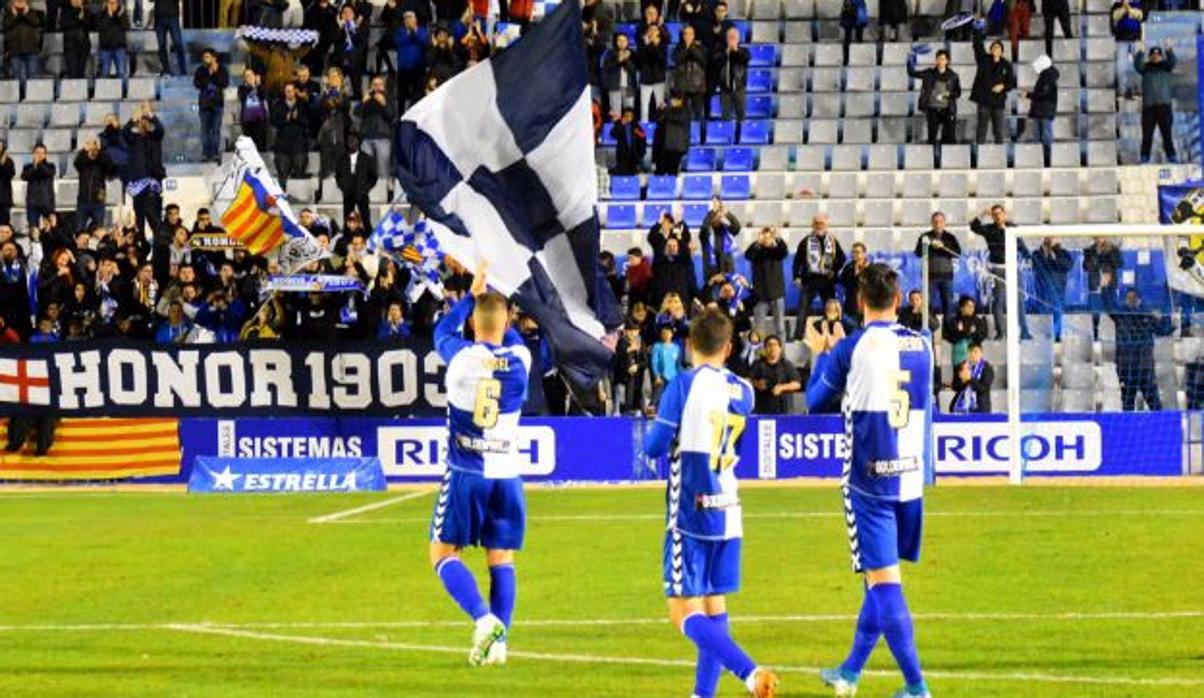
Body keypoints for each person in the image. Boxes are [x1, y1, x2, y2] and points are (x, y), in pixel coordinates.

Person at [805, 262, 934, 698]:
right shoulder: (923, 344)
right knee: (878, 580)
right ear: (898, 301)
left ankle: (916, 687)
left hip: (870, 483)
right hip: (911, 479)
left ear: (859, 303)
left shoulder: (852, 348)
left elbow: (815, 400)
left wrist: (824, 351)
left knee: (884, 583)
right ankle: (850, 672)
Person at [642, 308, 780, 698]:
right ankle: (703, 694)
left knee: (682, 612)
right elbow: (738, 446)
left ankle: (750, 674)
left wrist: (668, 431)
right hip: (728, 507)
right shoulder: (745, 390)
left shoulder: (683, 387)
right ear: (729, 347)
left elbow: (653, 446)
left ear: (689, 345)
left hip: (690, 511)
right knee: (713, 605)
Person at [428, 265, 530, 667]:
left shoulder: (462, 360)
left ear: (472, 323)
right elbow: (511, 335)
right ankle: (500, 643)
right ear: (506, 321)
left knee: (442, 552)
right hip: (507, 475)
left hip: (467, 472)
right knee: (501, 558)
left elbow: (441, 334)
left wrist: (471, 295)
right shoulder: (521, 358)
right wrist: (502, 300)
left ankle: (484, 619)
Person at [1106, 288, 1173, 411]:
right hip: (1127, 367)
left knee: (1153, 403)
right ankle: (1129, 428)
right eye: (1129, 298)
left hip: (1143, 367)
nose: (1131, 301)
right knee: (1128, 403)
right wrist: (1105, 288)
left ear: (1139, 300)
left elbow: (1164, 330)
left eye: (1134, 298)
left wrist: (1165, 317)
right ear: (1126, 300)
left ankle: (1160, 426)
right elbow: (1108, 304)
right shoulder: (1121, 315)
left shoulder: (1147, 315)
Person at [123, 104, 167, 286]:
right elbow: (124, 133)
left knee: (153, 213)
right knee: (139, 215)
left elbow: (161, 129)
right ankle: (142, 245)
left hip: (153, 181)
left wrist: (151, 115)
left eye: (146, 123)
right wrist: (133, 118)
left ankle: (159, 242)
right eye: (141, 123)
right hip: (137, 183)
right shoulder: (133, 138)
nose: (144, 125)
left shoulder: (155, 138)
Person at [793, 214, 845, 335]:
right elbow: (797, 260)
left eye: (821, 223)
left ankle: (832, 332)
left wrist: (834, 270)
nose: (819, 226)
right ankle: (799, 335)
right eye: (816, 223)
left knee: (831, 308)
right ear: (812, 225)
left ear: (826, 225)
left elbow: (842, 258)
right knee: (803, 309)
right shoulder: (806, 241)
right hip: (809, 279)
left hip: (827, 280)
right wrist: (796, 276)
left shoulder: (832, 241)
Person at [907, 48, 960, 165]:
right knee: (932, 137)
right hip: (932, 110)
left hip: (948, 110)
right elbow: (912, 73)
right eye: (939, 59)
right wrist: (910, 60)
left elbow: (958, 93)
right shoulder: (929, 73)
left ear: (947, 61)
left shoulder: (953, 76)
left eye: (943, 59)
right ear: (936, 60)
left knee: (950, 138)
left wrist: (948, 94)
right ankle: (930, 162)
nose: (941, 61)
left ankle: (949, 162)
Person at [969, 204, 1010, 339]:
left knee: (1017, 301)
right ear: (992, 217)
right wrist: (982, 214)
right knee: (999, 301)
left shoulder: (1012, 227)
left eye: (1000, 213)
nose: (998, 216)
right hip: (997, 269)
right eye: (995, 214)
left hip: (1012, 268)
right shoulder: (989, 229)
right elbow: (973, 226)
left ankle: (1021, 332)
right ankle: (1000, 332)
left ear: (1004, 214)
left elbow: (1020, 244)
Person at [1134, 41, 1178, 164]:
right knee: (1147, 135)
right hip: (1149, 107)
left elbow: (1173, 62)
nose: (1155, 57)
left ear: (1161, 56)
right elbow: (1137, 65)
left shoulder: (1166, 67)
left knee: (1167, 134)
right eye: (1153, 55)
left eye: (1158, 55)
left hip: (1164, 106)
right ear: (1150, 56)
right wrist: (1140, 52)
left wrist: (1169, 49)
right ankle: (1144, 157)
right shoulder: (1146, 68)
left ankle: (1172, 156)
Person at [913, 213, 961, 325]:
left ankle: (948, 330)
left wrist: (943, 246)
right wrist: (928, 245)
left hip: (947, 277)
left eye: (940, 221)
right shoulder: (925, 236)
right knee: (928, 304)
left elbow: (957, 253)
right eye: (935, 221)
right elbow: (918, 253)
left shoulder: (950, 237)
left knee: (948, 304)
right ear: (932, 223)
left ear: (944, 223)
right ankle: (930, 327)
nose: (938, 224)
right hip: (929, 277)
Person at [970, 28, 1015, 145]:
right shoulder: (983, 59)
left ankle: (999, 155)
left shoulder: (1007, 65)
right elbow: (977, 46)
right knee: (981, 129)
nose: (996, 49)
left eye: (998, 48)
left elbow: (1012, 82)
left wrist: (1003, 86)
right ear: (990, 50)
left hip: (998, 101)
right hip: (984, 100)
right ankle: (979, 155)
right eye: (993, 47)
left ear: (1002, 51)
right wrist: (978, 31)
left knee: (999, 130)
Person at [745, 226, 788, 338]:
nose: (766, 239)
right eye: (764, 237)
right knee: (758, 330)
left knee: (780, 328)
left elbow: (783, 251)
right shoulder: (756, 251)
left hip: (777, 294)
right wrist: (757, 242)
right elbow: (747, 255)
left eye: (769, 237)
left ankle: (781, 354)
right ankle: (759, 354)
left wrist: (777, 238)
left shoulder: (776, 251)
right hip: (760, 296)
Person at [1030, 236, 1072, 342]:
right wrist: (1045, 253)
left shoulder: (1063, 253)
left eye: (1052, 237)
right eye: (1047, 237)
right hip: (1043, 292)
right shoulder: (1037, 253)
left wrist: (1056, 251)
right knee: (1043, 317)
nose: (1050, 240)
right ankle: (1044, 340)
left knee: (1057, 315)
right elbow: (1038, 266)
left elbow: (1067, 265)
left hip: (1058, 291)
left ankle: (1057, 339)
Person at [357, 75, 396, 188]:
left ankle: (383, 195)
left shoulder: (388, 98)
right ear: (371, 87)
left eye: (380, 84)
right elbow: (357, 114)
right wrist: (363, 102)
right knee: (366, 170)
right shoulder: (367, 99)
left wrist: (384, 104)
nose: (377, 87)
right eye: (375, 85)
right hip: (366, 138)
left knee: (382, 170)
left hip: (383, 137)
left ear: (384, 86)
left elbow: (392, 116)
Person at [673, 25, 709, 139]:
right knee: (679, 114)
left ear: (694, 35)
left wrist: (692, 48)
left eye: (690, 33)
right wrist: (687, 49)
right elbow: (677, 60)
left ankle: (698, 137)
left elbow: (703, 61)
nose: (687, 36)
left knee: (698, 114)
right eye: (685, 34)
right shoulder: (678, 48)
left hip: (697, 86)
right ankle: (681, 138)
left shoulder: (701, 47)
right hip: (681, 86)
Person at [749, 335, 802, 415]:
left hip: (782, 410)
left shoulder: (786, 365)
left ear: (780, 349)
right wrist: (757, 384)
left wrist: (782, 387)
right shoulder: (757, 364)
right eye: (769, 345)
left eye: (775, 345)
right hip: (760, 409)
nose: (772, 348)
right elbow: (747, 380)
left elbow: (797, 384)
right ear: (765, 349)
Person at [1082, 237, 1122, 341]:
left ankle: (1118, 335)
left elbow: (1118, 264)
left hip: (1109, 287)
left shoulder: (1113, 249)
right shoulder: (1089, 251)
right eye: (1096, 238)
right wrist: (1096, 254)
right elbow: (1086, 267)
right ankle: (1095, 337)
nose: (1099, 240)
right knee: (1095, 314)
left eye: (1101, 237)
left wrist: (1109, 252)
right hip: (1095, 287)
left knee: (1112, 311)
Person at [713, 27, 749, 141]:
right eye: (730, 37)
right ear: (726, 39)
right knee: (726, 115)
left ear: (738, 38)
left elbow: (746, 59)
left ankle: (740, 137)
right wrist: (726, 53)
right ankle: (727, 138)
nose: (732, 39)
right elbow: (716, 62)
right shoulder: (720, 51)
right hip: (725, 89)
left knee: (741, 115)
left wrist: (736, 51)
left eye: (734, 37)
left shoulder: (743, 51)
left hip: (739, 88)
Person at [3, 0, 44, 99]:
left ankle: (32, 97)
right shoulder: (8, 13)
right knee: (17, 76)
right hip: (15, 50)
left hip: (31, 49)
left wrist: (26, 13)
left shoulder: (33, 12)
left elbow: (37, 23)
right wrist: (14, 15)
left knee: (32, 75)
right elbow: (5, 26)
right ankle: (20, 97)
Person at [194, 49, 229, 164]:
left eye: (208, 57)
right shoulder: (201, 70)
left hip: (217, 104)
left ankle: (214, 153)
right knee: (204, 130)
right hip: (204, 105)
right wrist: (208, 75)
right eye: (204, 57)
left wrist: (215, 73)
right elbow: (197, 84)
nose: (205, 59)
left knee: (215, 130)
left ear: (214, 58)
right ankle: (205, 154)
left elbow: (224, 83)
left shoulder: (222, 70)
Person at [272, 83, 311, 184]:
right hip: (282, 146)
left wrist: (297, 118)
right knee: (282, 175)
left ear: (295, 91)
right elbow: (274, 122)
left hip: (299, 145)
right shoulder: (278, 105)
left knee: (299, 174)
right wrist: (286, 119)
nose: (289, 93)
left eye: (291, 91)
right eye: (287, 91)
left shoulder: (302, 104)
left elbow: (308, 123)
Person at [1024, 54, 1059, 167]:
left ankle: (1046, 160)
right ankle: (1041, 160)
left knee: (1044, 136)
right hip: (1042, 110)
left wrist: (1028, 95)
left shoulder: (1047, 77)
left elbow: (1043, 94)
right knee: (1041, 136)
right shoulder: (1047, 76)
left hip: (1044, 110)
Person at [336, 133, 377, 227]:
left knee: (365, 219)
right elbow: (338, 175)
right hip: (348, 194)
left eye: (353, 140)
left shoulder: (366, 158)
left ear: (358, 142)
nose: (351, 143)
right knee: (347, 220)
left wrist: (365, 188)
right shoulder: (342, 159)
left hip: (362, 193)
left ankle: (367, 238)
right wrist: (343, 187)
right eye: (349, 140)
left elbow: (373, 176)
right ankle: (347, 238)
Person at [74, 139, 115, 232]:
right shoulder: (83, 163)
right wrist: (84, 151)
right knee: (79, 229)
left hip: (99, 201)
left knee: (98, 230)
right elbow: (77, 163)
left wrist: (100, 151)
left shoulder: (102, 162)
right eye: (91, 149)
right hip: (83, 201)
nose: (92, 151)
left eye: (94, 149)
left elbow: (111, 167)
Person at [394, 11, 428, 111]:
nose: (408, 20)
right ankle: (401, 117)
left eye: (411, 17)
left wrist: (415, 31)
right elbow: (398, 42)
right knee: (401, 97)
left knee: (418, 95)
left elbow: (424, 42)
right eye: (406, 18)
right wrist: (410, 33)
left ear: (415, 19)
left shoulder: (421, 30)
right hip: (403, 70)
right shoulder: (400, 31)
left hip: (418, 69)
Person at [700, 196, 740, 280]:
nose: (717, 218)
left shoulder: (726, 231)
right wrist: (712, 212)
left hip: (727, 270)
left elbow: (737, 228)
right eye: (715, 216)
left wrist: (727, 214)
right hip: (711, 272)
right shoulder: (706, 234)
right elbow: (704, 227)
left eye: (718, 216)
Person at [613, 318, 648, 415]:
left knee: (633, 400)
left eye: (635, 331)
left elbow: (645, 361)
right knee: (622, 401)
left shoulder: (641, 342)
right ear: (625, 331)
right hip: (621, 378)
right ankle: (618, 411)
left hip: (636, 378)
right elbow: (615, 360)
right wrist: (627, 351)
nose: (633, 333)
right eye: (630, 331)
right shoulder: (620, 342)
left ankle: (635, 410)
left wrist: (637, 366)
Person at [943, 296, 987, 370]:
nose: (971, 309)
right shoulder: (954, 321)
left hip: (974, 357)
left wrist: (970, 333)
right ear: (961, 308)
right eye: (969, 306)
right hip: (958, 358)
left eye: (973, 307)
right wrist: (964, 333)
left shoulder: (978, 321)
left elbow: (981, 336)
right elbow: (949, 337)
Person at [949, 343, 994, 413]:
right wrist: (962, 381)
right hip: (963, 408)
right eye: (970, 352)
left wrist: (970, 379)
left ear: (981, 353)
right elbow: (956, 387)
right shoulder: (963, 366)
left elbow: (983, 388)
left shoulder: (987, 368)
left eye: (975, 352)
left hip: (980, 408)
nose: (973, 354)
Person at [636, 20, 668, 120]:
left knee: (660, 105)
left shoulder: (663, 45)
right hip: (645, 79)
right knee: (644, 106)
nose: (653, 32)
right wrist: (648, 45)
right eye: (650, 30)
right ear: (647, 32)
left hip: (659, 79)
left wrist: (653, 45)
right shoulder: (642, 45)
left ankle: (661, 124)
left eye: (655, 30)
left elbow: (661, 59)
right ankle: (644, 127)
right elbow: (642, 59)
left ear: (659, 32)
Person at [653, 91, 691, 175]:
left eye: (674, 100)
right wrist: (660, 109)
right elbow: (658, 119)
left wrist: (666, 110)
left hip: (676, 147)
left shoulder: (684, 110)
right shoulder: (667, 109)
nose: (672, 101)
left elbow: (677, 118)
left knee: (672, 172)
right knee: (660, 172)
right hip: (663, 146)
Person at [603, 33, 637, 118]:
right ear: (616, 42)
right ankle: (616, 130)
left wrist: (626, 60)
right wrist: (619, 59)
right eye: (619, 40)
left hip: (629, 87)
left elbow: (633, 70)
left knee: (629, 112)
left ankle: (629, 129)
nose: (622, 43)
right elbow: (607, 67)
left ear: (627, 42)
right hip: (614, 86)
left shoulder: (632, 53)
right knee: (615, 113)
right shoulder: (610, 53)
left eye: (624, 40)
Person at [22, 145, 56, 229]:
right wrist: (34, 166)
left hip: (47, 203)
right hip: (32, 204)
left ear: (45, 155)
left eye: (42, 153)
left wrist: (39, 164)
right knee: (33, 228)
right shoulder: (28, 167)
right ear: (33, 154)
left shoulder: (50, 166)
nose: (40, 155)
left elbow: (46, 173)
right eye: (37, 153)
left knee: (49, 230)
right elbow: (24, 176)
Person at [96, 0, 129, 82]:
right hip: (105, 48)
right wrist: (108, 16)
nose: (112, 5)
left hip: (119, 47)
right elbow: (99, 28)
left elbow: (126, 26)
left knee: (121, 72)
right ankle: (104, 93)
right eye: (110, 3)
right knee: (104, 73)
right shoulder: (101, 13)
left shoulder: (121, 12)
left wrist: (120, 16)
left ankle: (123, 92)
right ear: (106, 4)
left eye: (114, 3)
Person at [238, 68, 270, 152]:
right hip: (248, 121)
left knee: (261, 144)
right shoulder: (242, 88)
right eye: (247, 76)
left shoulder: (261, 87)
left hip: (261, 120)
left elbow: (263, 96)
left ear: (255, 76)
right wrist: (252, 86)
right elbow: (243, 97)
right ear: (244, 78)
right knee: (249, 146)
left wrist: (258, 85)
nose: (250, 77)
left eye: (251, 75)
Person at [838, 241, 870, 324]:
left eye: (858, 252)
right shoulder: (848, 267)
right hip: (850, 304)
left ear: (864, 253)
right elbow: (842, 281)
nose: (855, 254)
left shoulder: (871, 269)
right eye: (853, 252)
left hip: (866, 305)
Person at [649, 324, 681, 405]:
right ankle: (651, 408)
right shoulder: (657, 346)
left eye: (668, 333)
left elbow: (677, 364)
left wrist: (678, 377)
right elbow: (654, 362)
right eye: (664, 333)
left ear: (672, 334)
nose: (666, 335)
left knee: (671, 397)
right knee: (657, 395)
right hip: (661, 376)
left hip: (673, 377)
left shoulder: (676, 348)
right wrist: (657, 376)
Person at [154, 0, 186, 76]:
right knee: (161, 46)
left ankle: (183, 70)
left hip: (173, 16)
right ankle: (166, 70)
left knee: (178, 44)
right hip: (159, 17)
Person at [611, 108, 647, 176]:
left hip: (633, 155)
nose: (628, 118)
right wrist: (621, 124)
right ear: (623, 117)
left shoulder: (636, 126)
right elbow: (613, 134)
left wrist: (640, 153)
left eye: (630, 116)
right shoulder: (620, 124)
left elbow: (643, 137)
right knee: (622, 174)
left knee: (632, 175)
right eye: (626, 116)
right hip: (622, 154)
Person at [60, 0, 90, 79]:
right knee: (72, 73)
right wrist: (78, 19)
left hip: (84, 47)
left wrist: (83, 17)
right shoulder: (65, 11)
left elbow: (91, 25)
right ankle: (73, 90)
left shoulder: (86, 11)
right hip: (70, 47)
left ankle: (81, 91)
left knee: (81, 73)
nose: (77, 1)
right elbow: (63, 24)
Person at [839, 0, 868, 66]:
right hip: (853, 12)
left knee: (853, 38)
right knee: (852, 39)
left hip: (856, 12)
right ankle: (849, 59)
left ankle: (853, 59)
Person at [0, 143, 13, 227]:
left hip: (4, 199)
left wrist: (3, 164)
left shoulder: (8, 161)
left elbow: (9, 175)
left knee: (4, 223)